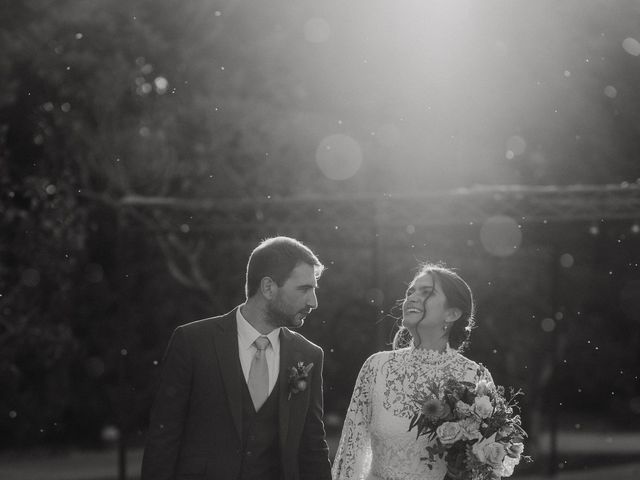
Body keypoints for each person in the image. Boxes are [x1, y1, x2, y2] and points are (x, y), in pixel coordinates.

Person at [141, 236, 332, 480]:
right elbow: (164, 436)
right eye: (304, 289)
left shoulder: (308, 355)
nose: (313, 302)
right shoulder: (192, 342)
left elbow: (313, 448)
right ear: (268, 287)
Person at [332, 263, 494, 480]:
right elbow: (351, 457)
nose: (412, 297)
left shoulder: (475, 377)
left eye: (426, 292)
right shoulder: (377, 367)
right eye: (411, 291)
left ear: (452, 313)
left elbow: (483, 469)